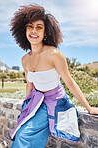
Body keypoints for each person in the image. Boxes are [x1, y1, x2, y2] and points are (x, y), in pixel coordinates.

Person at [10, 4, 98, 148]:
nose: (33, 31)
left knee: (24, 135)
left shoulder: (54, 55)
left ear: (45, 32)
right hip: (36, 101)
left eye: (39, 27)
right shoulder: (24, 59)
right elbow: (29, 84)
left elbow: (69, 81)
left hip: (54, 102)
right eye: (30, 26)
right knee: (19, 131)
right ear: (24, 30)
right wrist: (25, 106)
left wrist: (89, 108)